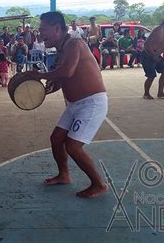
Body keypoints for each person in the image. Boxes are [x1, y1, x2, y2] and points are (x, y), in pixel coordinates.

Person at [25, 11, 109, 198]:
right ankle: (64, 175)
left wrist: (38, 75)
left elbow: (67, 71)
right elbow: (60, 80)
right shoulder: (62, 50)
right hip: (75, 105)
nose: (40, 34)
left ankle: (99, 184)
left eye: (43, 29)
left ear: (57, 28)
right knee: (56, 138)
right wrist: (43, 89)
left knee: (72, 146)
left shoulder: (74, 43)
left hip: (92, 103)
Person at [142, 12, 164, 99]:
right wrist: (153, 54)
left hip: (157, 54)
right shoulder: (159, 30)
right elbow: (147, 44)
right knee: (151, 76)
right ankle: (146, 94)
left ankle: (160, 92)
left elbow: (162, 43)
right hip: (148, 54)